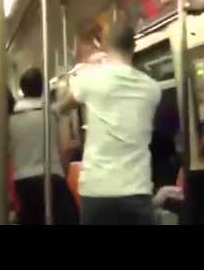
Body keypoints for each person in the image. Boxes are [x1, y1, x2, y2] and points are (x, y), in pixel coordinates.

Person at [53, 24, 162, 225]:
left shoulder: (89, 79)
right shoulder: (153, 89)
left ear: (105, 47)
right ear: (133, 47)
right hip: (137, 191)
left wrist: (71, 78)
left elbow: (62, 107)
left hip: (98, 191)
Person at [9, 68, 79, 225]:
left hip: (23, 182)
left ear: (22, 88)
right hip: (52, 178)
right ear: (43, 88)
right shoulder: (52, 113)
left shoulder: (10, 118)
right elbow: (67, 146)